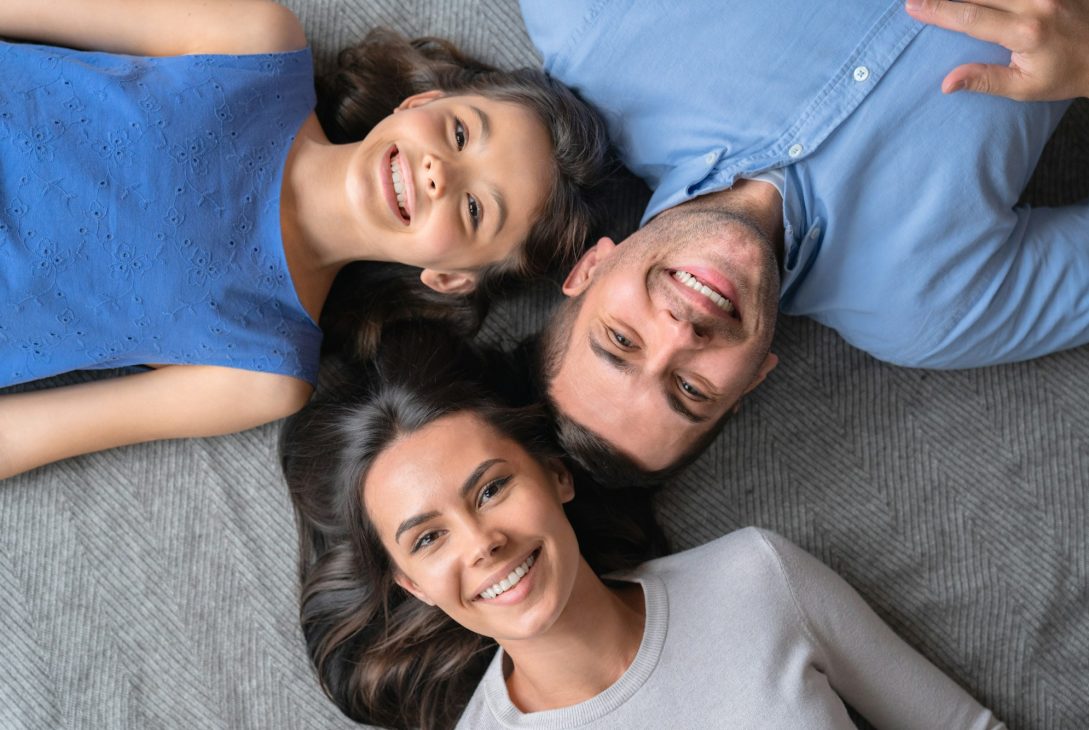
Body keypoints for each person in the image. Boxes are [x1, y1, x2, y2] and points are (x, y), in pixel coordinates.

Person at [280, 325, 1004, 730]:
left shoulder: (756, 576)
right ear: (411, 583)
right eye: (428, 538)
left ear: (556, 474)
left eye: (492, 488)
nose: (481, 542)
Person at [0, 0, 609, 479]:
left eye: (475, 209)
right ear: (421, 101)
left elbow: (30, 434)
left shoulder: (264, 369)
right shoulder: (258, 44)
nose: (439, 173)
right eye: (459, 134)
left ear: (449, 278)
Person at [521, 0, 1089, 478]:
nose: (679, 334)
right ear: (752, 381)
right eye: (690, 390)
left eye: (621, 339)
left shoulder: (589, 30)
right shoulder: (931, 310)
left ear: (589, 268)